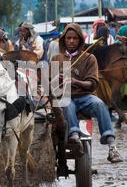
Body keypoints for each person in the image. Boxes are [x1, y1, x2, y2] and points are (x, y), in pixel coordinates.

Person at [51, 23, 123, 164]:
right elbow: (53, 88)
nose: (71, 41)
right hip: (65, 97)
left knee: (100, 104)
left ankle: (111, 145)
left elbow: (92, 84)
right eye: (68, 38)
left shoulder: (89, 58)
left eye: (75, 38)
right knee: (67, 103)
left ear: (80, 41)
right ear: (64, 40)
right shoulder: (56, 59)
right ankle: (74, 136)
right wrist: (56, 80)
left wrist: (75, 82)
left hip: (85, 97)